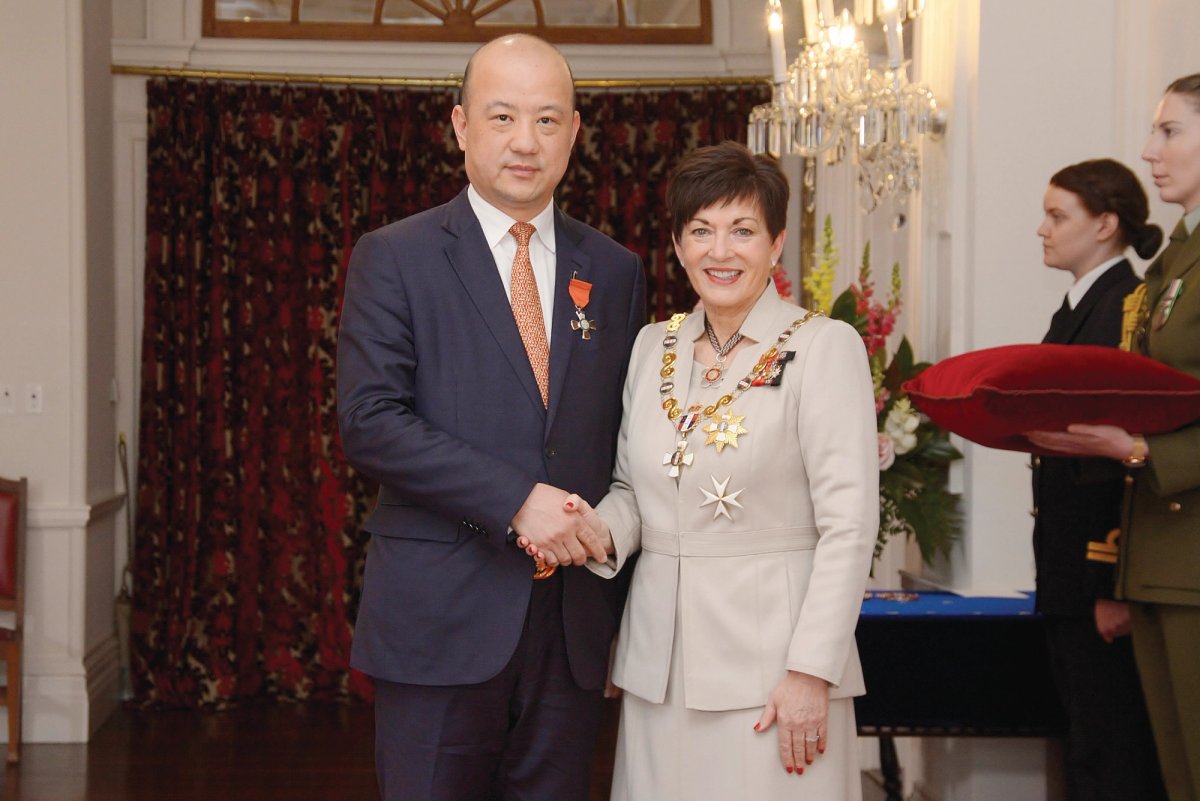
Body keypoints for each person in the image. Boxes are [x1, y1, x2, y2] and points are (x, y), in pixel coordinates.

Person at [336, 34, 646, 801]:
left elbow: (629, 441)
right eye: (502, 116)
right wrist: (514, 499)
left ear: (574, 133)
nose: (525, 141)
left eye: (547, 119)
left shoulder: (615, 271)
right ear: (460, 125)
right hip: (440, 618)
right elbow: (370, 421)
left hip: (570, 629)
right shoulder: (395, 256)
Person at [528, 141, 878, 799]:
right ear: (678, 245)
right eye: (701, 231)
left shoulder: (823, 347)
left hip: (774, 668)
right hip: (659, 667)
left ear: (776, 244)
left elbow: (850, 527)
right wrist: (587, 528)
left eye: (743, 230)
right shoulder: (651, 346)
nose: (721, 251)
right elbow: (633, 489)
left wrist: (812, 670)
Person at [1028, 73, 1200, 801]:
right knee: (1161, 767)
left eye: (1170, 131)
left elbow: (1142, 425)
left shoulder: (1144, 282)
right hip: (1152, 555)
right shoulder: (1172, 264)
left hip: (1176, 550)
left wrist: (1135, 451)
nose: (1150, 150)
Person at [1031, 158, 1167, 801]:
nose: (1043, 229)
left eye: (1058, 216)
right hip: (1068, 572)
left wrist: (1109, 583)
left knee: (1113, 754)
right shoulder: (1081, 307)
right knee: (1086, 746)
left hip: (1098, 575)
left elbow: (1120, 465)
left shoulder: (1124, 308)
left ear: (1106, 224)